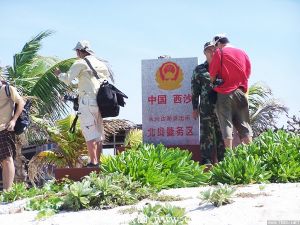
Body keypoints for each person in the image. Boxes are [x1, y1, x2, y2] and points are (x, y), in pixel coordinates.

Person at [54, 40, 112, 167]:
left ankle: (93, 161)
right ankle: (98, 161)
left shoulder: (80, 63)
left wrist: (59, 74)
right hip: (101, 101)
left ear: (79, 51)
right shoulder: (101, 63)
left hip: (87, 101)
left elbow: (67, 78)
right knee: (98, 132)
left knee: (89, 131)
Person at [209, 34, 253, 149]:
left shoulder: (220, 52)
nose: (215, 49)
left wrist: (213, 83)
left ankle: (229, 156)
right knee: (244, 125)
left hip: (225, 93)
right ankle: (251, 154)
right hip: (241, 92)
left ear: (218, 44)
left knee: (226, 125)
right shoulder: (243, 52)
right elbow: (247, 73)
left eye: (215, 47)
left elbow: (212, 74)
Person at [191, 42, 225, 165]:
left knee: (222, 133)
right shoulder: (199, 69)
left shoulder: (223, 67)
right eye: (208, 50)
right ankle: (206, 161)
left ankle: (224, 160)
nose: (211, 52)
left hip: (222, 107)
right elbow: (195, 90)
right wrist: (195, 107)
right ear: (204, 53)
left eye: (213, 49)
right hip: (206, 107)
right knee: (206, 135)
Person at [0, 78, 25, 190]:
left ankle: (7, 191)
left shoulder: (8, 89)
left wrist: (14, 120)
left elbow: (21, 102)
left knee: (7, 159)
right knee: (4, 161)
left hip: (5, 129)